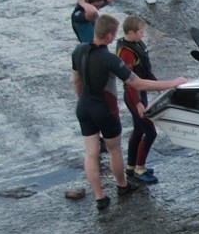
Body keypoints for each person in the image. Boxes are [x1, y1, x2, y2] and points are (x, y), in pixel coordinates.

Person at [72, 13, 187, 211]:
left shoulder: (79, 50)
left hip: (83, 107)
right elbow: (137, 83)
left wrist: (82, 100)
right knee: (114, 150)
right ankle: (122, 185)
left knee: (90, 154)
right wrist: (172, 83)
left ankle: (99, 197)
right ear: (109, 36)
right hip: (104, 109)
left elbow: (76, 80)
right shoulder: (109, 59)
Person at [116, 15, 161, 184]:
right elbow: (129, 83)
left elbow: (146, 71)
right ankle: (140, 169)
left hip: (140, 92)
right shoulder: (127, 52)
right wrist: (138, 103)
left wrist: (158, 86)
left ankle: (131, 166)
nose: (143, 35)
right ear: (131, 32)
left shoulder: (136, 45)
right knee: (150, 131)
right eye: (141, 32)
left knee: (139, 130)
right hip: (133, 95)